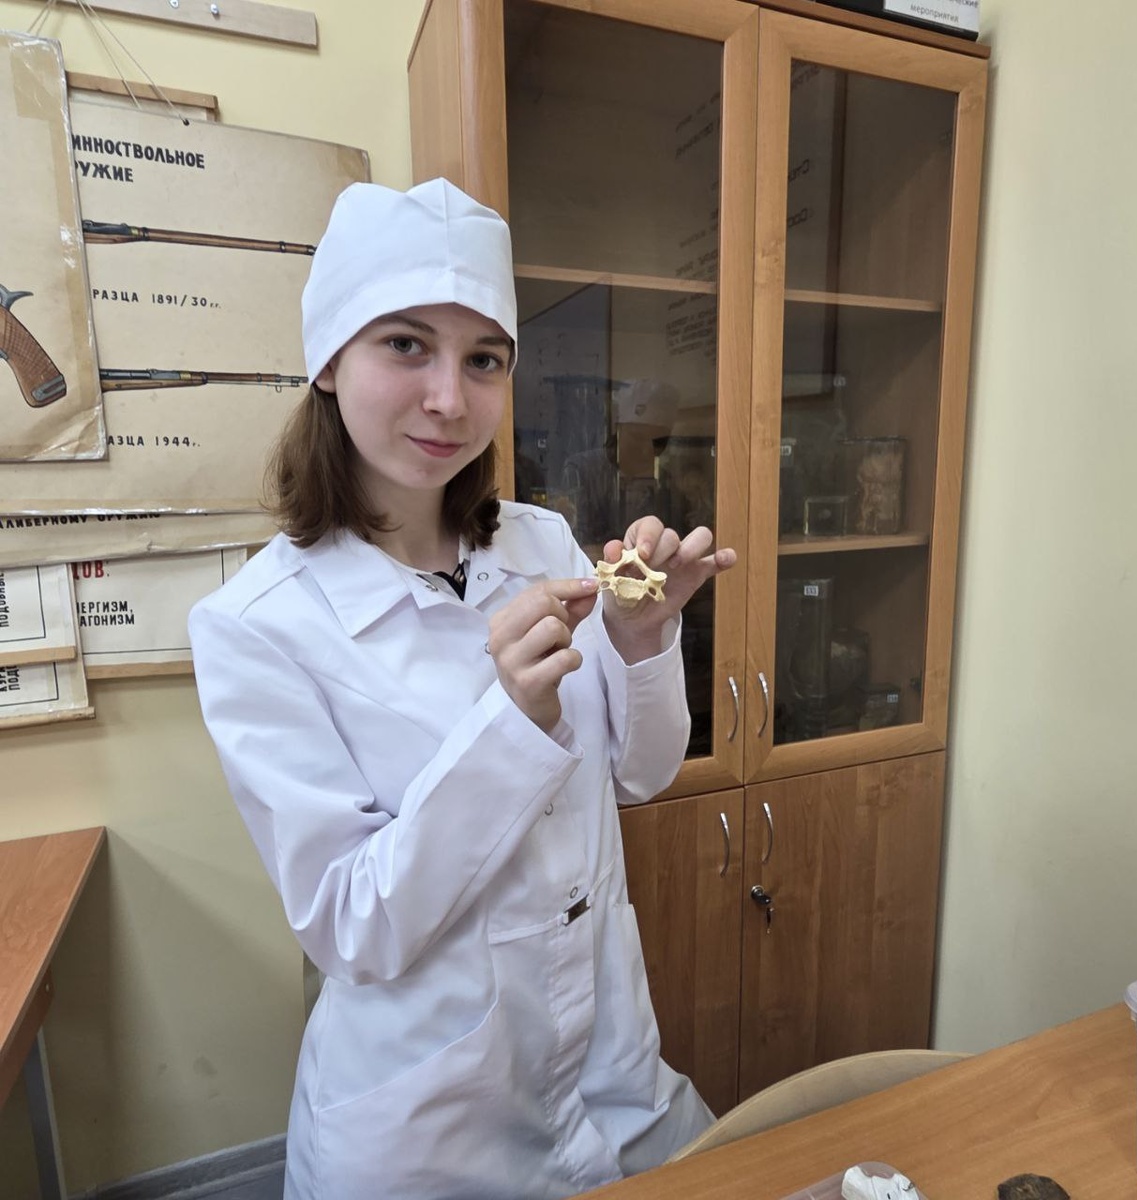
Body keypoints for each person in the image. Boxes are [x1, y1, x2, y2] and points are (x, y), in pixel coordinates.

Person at [188, 178, 737, 1200]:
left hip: (614, 1073)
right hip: (428, 1129)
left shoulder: (541, 541)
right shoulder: (257, 626)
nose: (450, 398)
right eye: (406, 345)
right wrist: (511, 724)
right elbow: (352, 925)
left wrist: (643, 639)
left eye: (484, 358)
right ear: (328, 358)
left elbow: (643, 774)